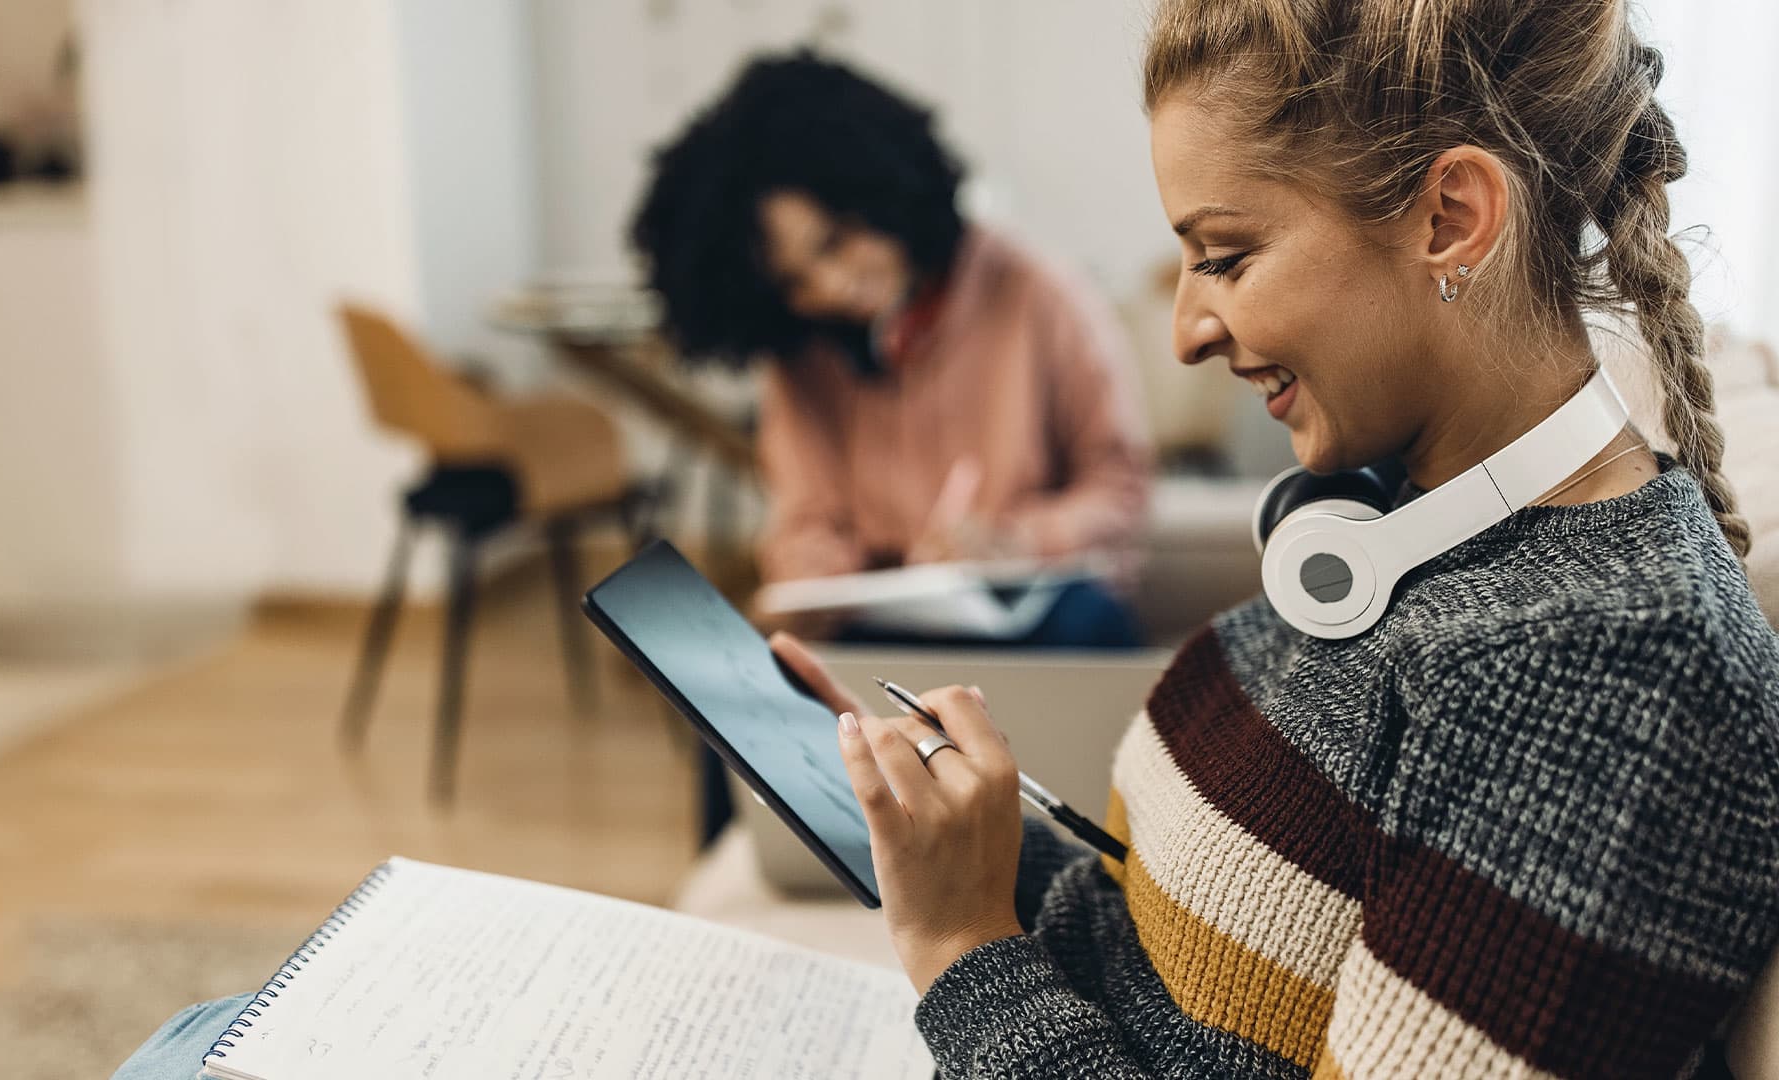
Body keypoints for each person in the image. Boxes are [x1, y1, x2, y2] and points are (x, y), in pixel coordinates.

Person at [766, 1, 1779, 1076]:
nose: (1186, 330)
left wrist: (962, 949)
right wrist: (943, 836)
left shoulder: (1611, 683)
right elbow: (1173, 952)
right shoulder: (1390, 526)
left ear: (1449, 216)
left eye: (1226, 256)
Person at [629, 50, 1153, 650]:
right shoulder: (801, 353)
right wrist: (811, 578)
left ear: (882, 192)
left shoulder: (1040, 294)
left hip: (1022, 602)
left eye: (835, 242)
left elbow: (1119, 488)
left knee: (1091, 624)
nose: (829, 288)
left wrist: (1017, 541)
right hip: (876, 616)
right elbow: (805, 519)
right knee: (741, 708)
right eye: (793, 283)